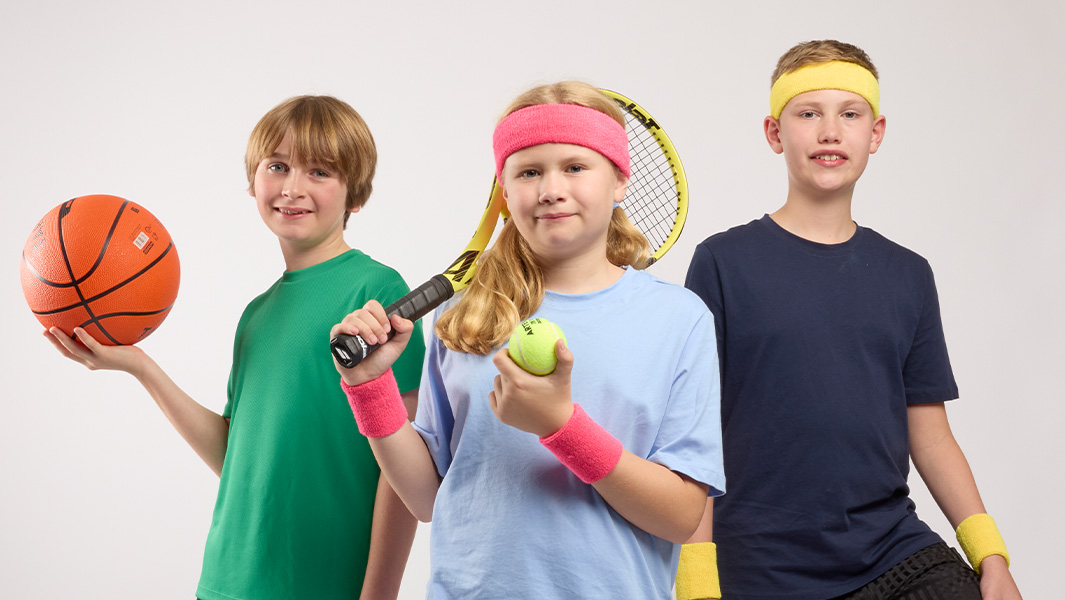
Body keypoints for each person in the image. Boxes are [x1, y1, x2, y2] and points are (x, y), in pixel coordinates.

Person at [331, 80, 725, 599]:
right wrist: (370, 386)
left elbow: (681, 516)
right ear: (504, 190)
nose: (550, 189)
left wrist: (561, 426)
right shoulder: (461, 313)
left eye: (575, 167)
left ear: (621, 180)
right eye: (529, 171)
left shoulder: (679, 318)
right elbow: (427, 498)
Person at [44, 95, 426, 600]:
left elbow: (401, 475)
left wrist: (378, 594)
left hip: (324, 585)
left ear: (356, 195)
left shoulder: (376, 294)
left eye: (319, 172)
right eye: (278, 166)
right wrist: (141, 367)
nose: (292, 188)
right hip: (225, 582)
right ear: (253, 183)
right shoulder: (256, 315)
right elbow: (237, 457)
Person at [683, 40, 1023, 599]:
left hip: (890, 553)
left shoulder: (908, 274)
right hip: (761, 566)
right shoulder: (722, 262)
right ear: (775, 133)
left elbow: (931, 434)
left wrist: (991, 555)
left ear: (876, 133)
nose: (829, 131)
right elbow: (689, 431)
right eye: (808, 113)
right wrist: (696, 579)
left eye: (849, 113)